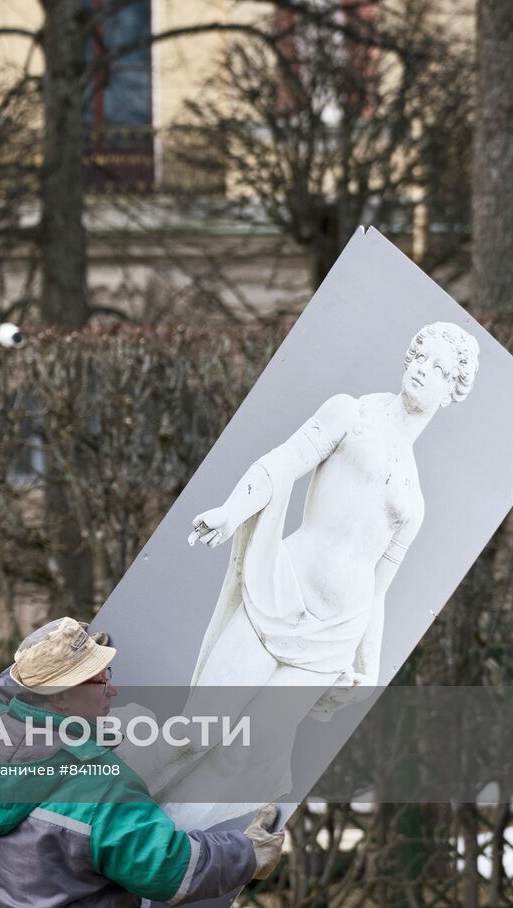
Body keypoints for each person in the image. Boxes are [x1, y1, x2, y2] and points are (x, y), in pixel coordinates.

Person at [154, 321, 481, 818]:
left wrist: (368, 667)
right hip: (280, 593)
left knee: (239, 758)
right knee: (197, 733)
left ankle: (160, 872)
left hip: (332, 639)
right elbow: (283, 462)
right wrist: (230, 511)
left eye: (439, 369)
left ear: (451, 391)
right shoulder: (351, 413)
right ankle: (93, 826)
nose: (423, 370)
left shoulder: (413, 500)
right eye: (421, 357)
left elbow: (379, 591)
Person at [0, 617, 284, 906]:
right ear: (60, 696)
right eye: (99, 680)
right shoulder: (98, 789)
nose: (113, 690)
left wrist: (51, 652)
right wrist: (248, 852)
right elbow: (170, 869)